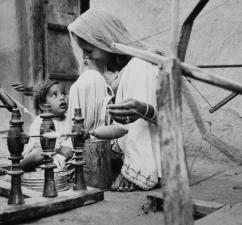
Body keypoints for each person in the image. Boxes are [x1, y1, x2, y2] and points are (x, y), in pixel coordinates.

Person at [67, 9, 161, 191]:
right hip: (133, 143)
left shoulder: (141, 65)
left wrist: (132, 170)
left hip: (157, 153)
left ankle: (137, 172)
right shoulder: (122, 71)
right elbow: (125, 128)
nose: (86, 57)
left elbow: (146, 122)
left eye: (88, 50)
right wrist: (93, 133)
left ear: (104, 42)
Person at [21, 80, 73, 172]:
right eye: (54, 95)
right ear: (43, 106)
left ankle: (62, 167)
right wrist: (59, 149)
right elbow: (39, 144)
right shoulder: (39, 121)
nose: (61, 98)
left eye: (63, 94)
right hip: (42, 157)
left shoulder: (70, 119)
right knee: (39, 153)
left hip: (63, 157)